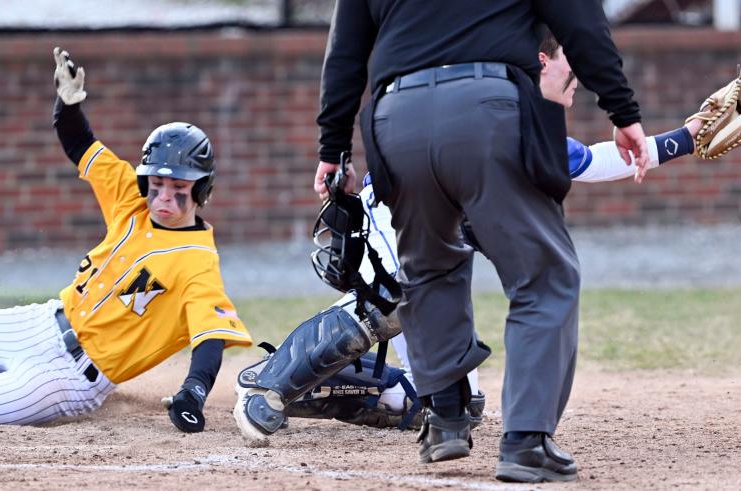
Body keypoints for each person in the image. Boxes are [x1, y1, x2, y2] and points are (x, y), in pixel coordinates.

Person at [235, 30, 702, 439]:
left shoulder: (528, 125)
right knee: (393, 293)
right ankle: (271, 386)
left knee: (457, 406)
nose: (576, 87)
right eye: (570, 70)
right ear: (542, 60)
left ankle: (314, 383)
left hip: (428, 255)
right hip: (396, 209)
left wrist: (688, 137)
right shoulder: (494, 104)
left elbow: (602, 162)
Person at [313, 1, 648, 483]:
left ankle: (445, 417)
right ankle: (526, 442)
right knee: (544, 276)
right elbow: (579, 21)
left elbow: (345, 49)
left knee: (427, 267)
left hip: (396, 117)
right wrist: (623, 110)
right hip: (487, 107)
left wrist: (332, 149)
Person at [0, 47, 252, 432]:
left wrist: (193, 392)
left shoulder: (198, 261)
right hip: (38, 324)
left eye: (178, 185)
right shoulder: (132, 198)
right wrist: (68, 104)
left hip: (73, 378)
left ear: (202, 190)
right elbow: (81, 146)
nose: (163, 195)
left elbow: (211, 337)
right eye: (156, 182)